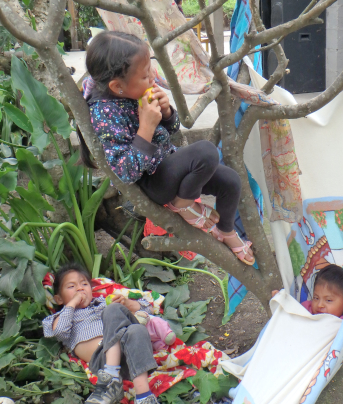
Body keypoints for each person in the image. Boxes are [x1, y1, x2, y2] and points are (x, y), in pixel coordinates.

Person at [80, 31, 254, 265]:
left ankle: (225, 231)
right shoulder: (104, 113)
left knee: (231, 181)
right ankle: (182, 206)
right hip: (151, 182)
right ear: (117, 86)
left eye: (150, 69)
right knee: (207, 152)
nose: (152, 78)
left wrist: (167, 112)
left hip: (168, 166)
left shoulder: (135, 92)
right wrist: (146, 128)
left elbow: (172, 131)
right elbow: (125, 172)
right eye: (144, 76)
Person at [42, 262, 172, 404]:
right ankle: (111, 376)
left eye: (84, 284)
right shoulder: (61, 317)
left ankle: (143, 400)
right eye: (71, 286)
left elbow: (149, 310)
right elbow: (59, 332)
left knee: (135, 328)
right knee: (120, 317)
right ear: (59, 298)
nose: (80, 289)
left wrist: (128, 304)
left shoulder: (103, 303)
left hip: (131, 357)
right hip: (101, 359)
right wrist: (72, 304)